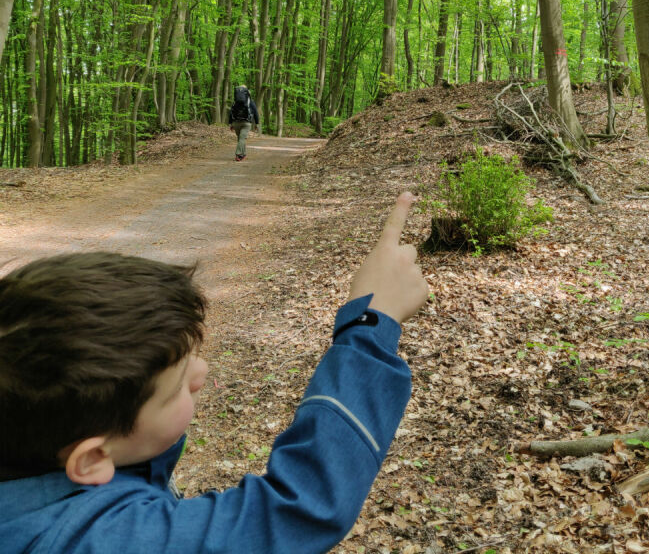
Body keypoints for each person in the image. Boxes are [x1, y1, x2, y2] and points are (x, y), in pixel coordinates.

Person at [0, 192, 428, 554]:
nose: (201, 374)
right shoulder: (93, 540)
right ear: (93, 458)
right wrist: (371, 325)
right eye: (175, 388)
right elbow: (299, 509)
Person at [228, 85, 259, 161]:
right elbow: (255, 113)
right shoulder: (250, 102)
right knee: (242, 139)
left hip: (236, 123)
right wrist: (257, 124)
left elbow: (231, 112)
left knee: (240, 139)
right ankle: (238, 154)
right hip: (246, 123)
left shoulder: (235, 102)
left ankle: (243, 154)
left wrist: (231, 123)